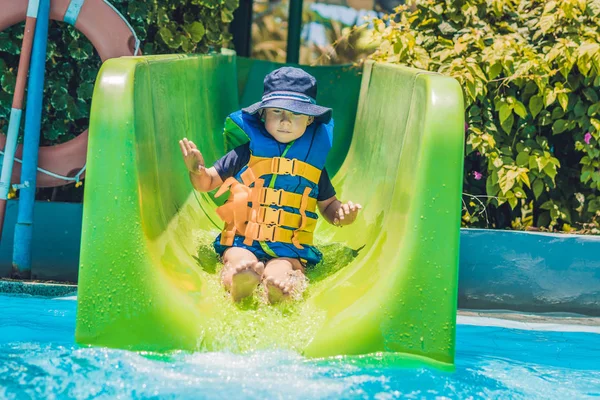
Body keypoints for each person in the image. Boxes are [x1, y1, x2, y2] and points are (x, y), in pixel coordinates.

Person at [179, 67, 361, 304]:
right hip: (242, 239)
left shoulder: (313, 167)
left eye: (295, 114)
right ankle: (239, 284)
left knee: (284, 271)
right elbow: (208, 183)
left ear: (310, 119)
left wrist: (342, 215)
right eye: (277, 111)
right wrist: (197, 171)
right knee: (236, 258)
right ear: (263, 114)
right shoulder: (246, 153)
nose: (285, 121)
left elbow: (328, 206)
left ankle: (278, 291)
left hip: (288, 248)